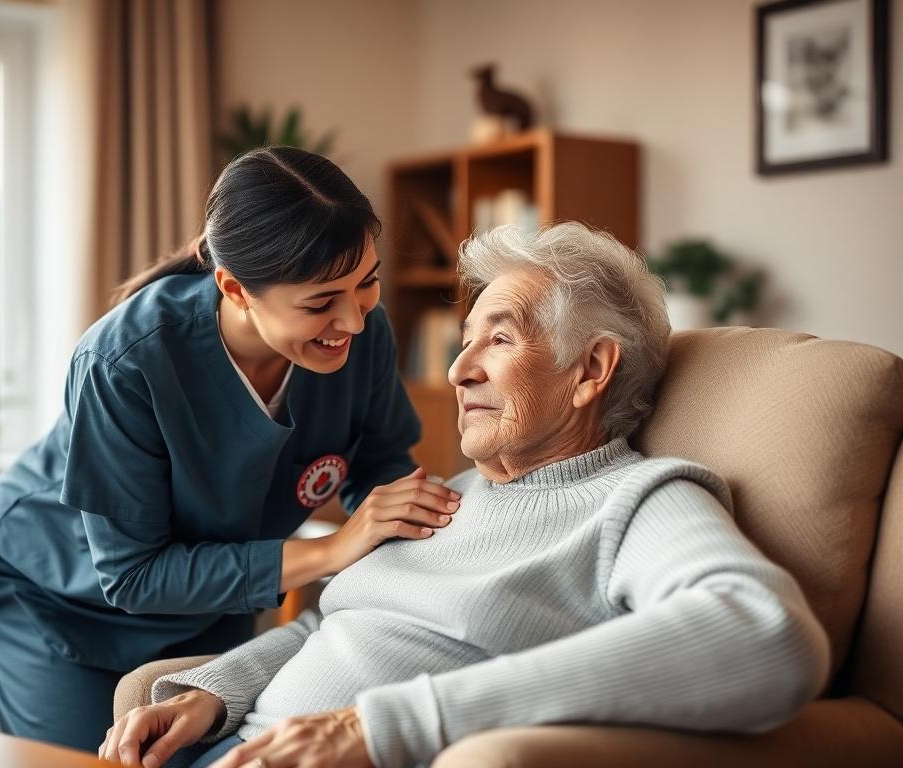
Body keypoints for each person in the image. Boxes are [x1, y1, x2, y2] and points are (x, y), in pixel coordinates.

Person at [100, 222, 830, 768]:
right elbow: (331, 624)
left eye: (500, 341)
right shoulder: (442, 494)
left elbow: (766, 632)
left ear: (590, 371)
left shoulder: (637, 500)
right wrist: (216, 691)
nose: (457, 372)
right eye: (465, 339)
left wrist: (379, 726)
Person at [0, 147, 463, 752]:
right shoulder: (125, 361)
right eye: (320, 301)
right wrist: (332, 548)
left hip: (220, 588)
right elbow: (134, 574)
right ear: (235, 288)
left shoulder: (361, 331)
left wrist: (410, 521)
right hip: (57, 593)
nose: (353, 320)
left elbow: (377, 458)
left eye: (368, 282)